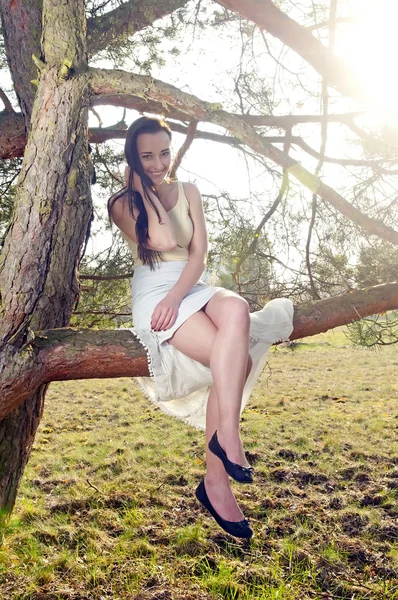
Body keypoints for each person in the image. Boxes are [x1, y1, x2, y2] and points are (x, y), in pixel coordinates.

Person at [108, 116, 294, 539]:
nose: (158, 163)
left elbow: (199, 254)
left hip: (191, 285)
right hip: (154, 290)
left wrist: (181, 295)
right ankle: (217, 481)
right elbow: (163, 242)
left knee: (237, 308)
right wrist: (143, 189)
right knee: (236, 363)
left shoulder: (189, 190)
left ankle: (225, 438)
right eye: (147, 157)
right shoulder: (122, 202)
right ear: (134, 161)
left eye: (164, 153)